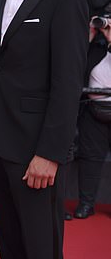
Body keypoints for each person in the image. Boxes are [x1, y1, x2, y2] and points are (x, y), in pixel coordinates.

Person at [0, 0, 89, 259]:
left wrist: (49, 153)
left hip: (36, 152)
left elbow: (68, 83)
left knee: (41, 248)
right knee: (10, 247)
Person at [72, 18, 111, 219]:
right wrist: (89, 36)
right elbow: (76, 65)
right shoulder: (94, 46)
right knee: (90, 158)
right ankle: (86, 204)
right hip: (93, 110)